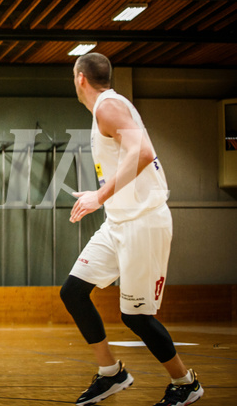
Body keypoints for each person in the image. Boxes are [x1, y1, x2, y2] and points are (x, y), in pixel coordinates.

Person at [60, 53, 203, 406]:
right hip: (118, 222)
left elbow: (143, 152)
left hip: (144, 223)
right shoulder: (105, 111)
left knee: (136, 316)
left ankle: (185, 383)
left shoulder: (108, 107)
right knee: (73, 293)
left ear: (80, 79)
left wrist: (100, 194)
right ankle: (112, 374)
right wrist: (106, 199)